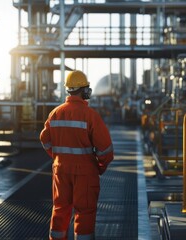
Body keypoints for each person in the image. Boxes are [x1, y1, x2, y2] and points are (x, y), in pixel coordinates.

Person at [40, 70, 114, 240]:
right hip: (85, 173)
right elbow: (106, 150)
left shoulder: (55, 114)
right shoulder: (90, 116)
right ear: (84, 91)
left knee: (60, 209)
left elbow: (44, 140)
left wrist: (58, 156)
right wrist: (99, 167)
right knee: (85, 211)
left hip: (61, 170)